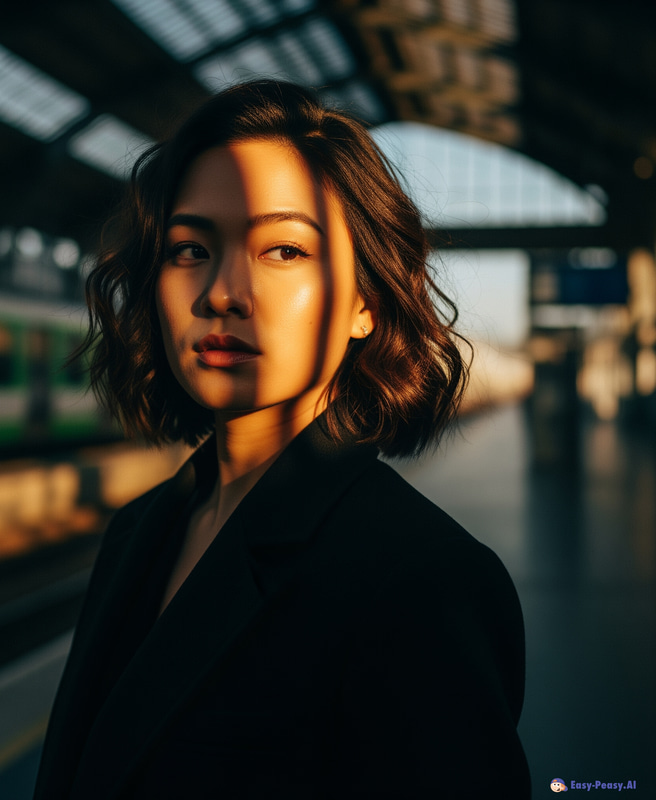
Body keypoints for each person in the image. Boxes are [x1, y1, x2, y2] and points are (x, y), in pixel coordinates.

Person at [34, 80, 530, 799]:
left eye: (284, 251)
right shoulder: (137, 531)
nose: (223, 292)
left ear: (366, 301)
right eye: (189, 249)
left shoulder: (424, 579)